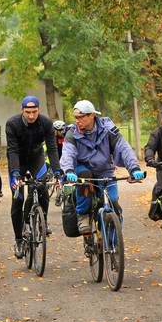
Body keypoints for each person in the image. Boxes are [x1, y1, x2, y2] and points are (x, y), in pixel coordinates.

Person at [60, 100, 145, 234]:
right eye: (76, 117)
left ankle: (113, 246)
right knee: (84, 176)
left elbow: (124, 148)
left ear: (92, 115)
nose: (77, 120)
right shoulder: (72, 133)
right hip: (82, 169)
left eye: (81, 117)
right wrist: (69, 170)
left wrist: (134, 169)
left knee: (113, 202)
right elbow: (67, 154)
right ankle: (83, 215)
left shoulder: (108, 129)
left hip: (105, 170)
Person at [6, 95, 61, 258]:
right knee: (18, 199)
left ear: (39, 110)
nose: (31, 115)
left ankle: (42, 220)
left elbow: (52, 148)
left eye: (34, 111)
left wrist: (57, 171)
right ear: (22, 110)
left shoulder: (46, 123)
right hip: (18, 161)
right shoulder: (12, 124)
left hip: (36, 158)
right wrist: (16, 174)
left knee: (42, 187)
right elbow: (13, 150)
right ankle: (18, 240)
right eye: (27, 112)